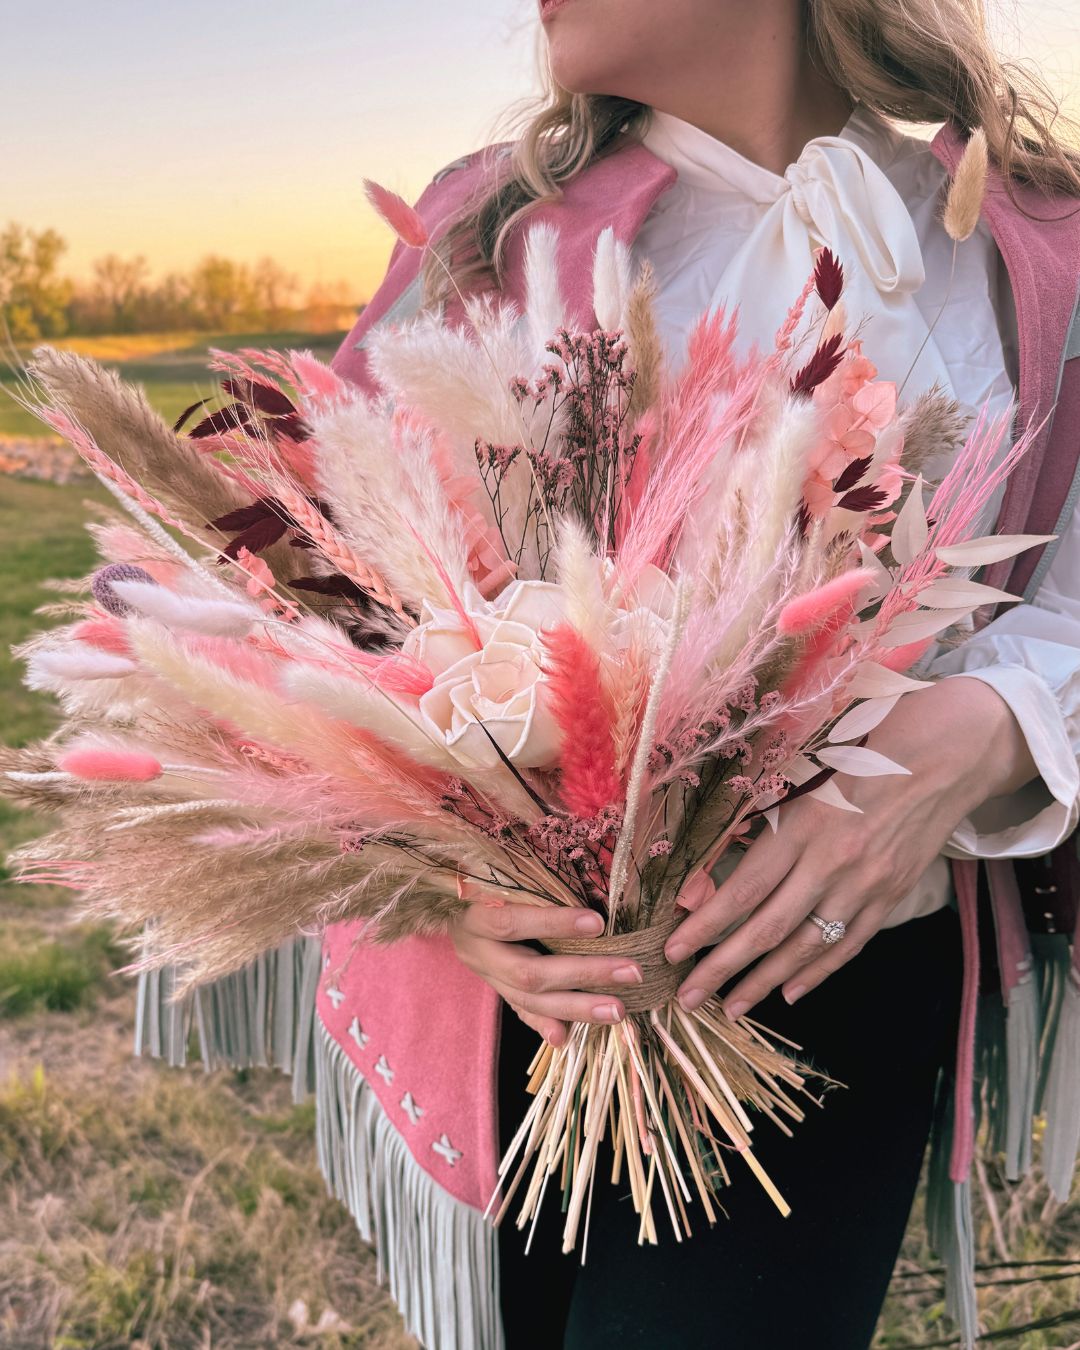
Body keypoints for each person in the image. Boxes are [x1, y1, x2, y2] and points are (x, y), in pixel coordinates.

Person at [320, 3, 1080, 1347]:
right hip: (539, 992)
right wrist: (444, 882)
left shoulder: (1026, 244)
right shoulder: (489, 241)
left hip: (834, 978)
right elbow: (329, 590)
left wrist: (988, 722)